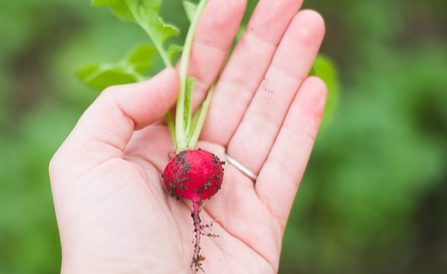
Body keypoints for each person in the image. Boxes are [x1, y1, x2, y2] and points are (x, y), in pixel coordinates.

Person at [49, 0, 326, 272]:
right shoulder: (189, 170)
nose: (196, 208)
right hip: (188, 164)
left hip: (188, 164)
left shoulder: (190, 171)